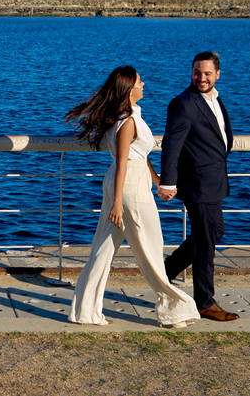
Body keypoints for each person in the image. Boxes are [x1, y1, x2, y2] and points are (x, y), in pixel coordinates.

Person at [67, 66, 198, 327]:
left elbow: (140, 156)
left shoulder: (127, 116)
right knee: (150, 248)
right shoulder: (127, 121)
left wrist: (159, 182)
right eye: (139, 81)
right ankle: (175, 308)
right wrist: (117, 203)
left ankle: (85, 311)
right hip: (127, 186)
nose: (144, 83)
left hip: (125, 181)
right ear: (128, 90)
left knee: (102, 250)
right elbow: (125, 163)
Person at [157, 50, 239, 321]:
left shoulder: (215, 98)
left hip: (214, 181)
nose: (200, 78)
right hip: (197, 184)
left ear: (217, 74)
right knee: (205, 242)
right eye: (196, 72)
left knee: (215, 231)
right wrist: (168, 182)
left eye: (206, 73)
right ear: (190, 72)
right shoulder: (183, 103)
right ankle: (204, 301)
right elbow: (170, 145)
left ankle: (166, 271)